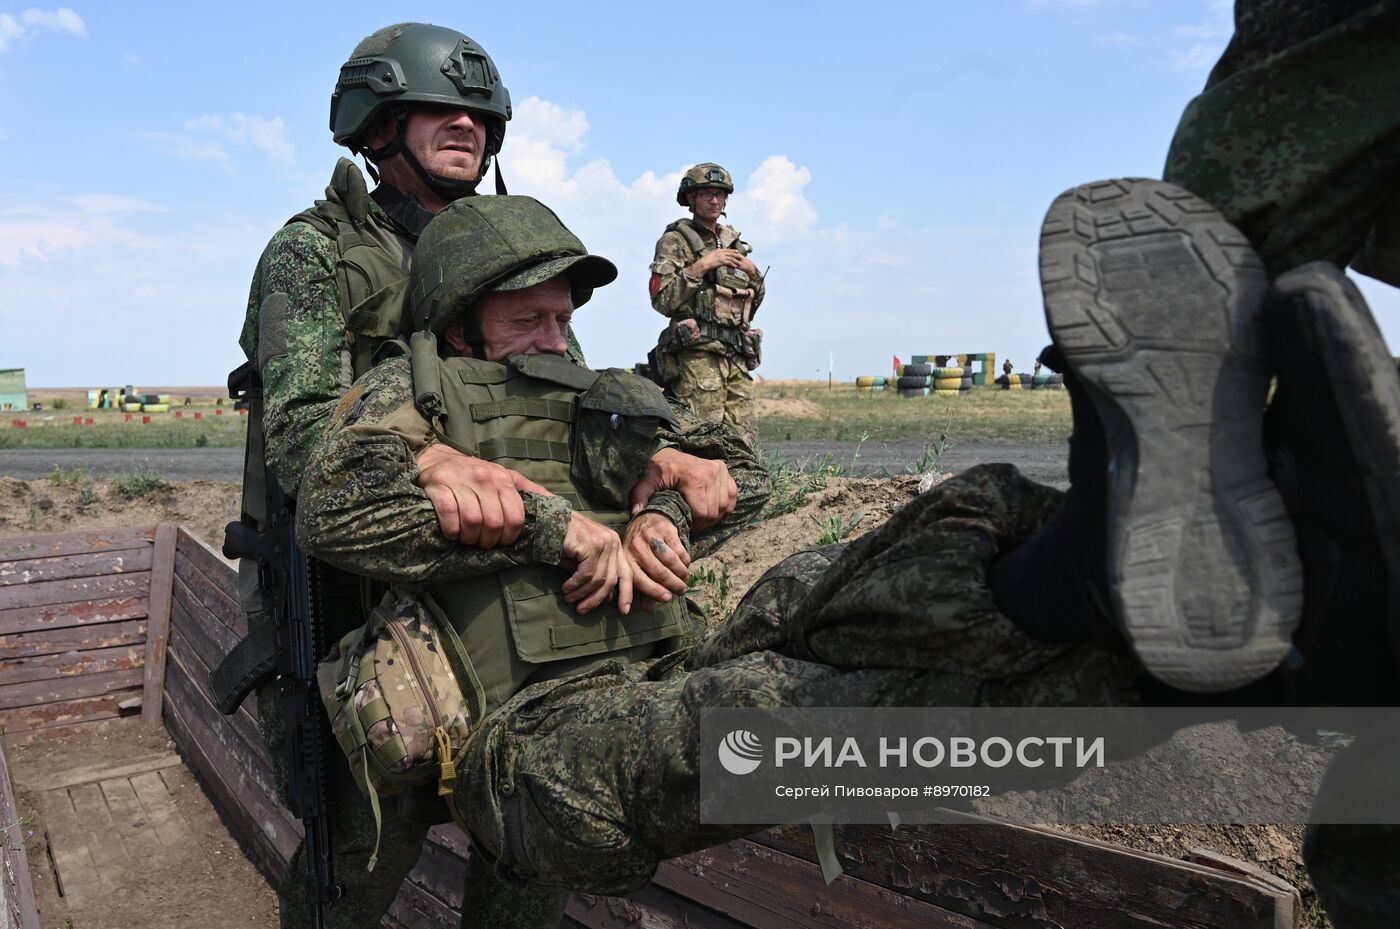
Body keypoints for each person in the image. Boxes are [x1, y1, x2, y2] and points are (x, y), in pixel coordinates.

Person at [225, 22, 595, 929]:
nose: (464, 123)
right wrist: (422, 453)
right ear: (378, 122)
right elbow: (305, 439)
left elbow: (565, 405)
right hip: (348, 597)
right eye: (436, 106)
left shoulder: (511, 263)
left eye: (478, 112)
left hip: (495, 585)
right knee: (357, 859)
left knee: (529, 840)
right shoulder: (315, 253)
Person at [648, 163, 765, 445]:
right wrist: (700, 267)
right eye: (707, 194)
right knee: (700, 441)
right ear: (691, 198)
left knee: (744, 442)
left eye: (720, 194)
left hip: (736, 357)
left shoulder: (734, 244)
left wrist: (754, 274)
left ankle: (740, 490)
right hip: (697, 358)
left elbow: (753, 300)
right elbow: (661, 300)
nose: (714, 200)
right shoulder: (675, 241)